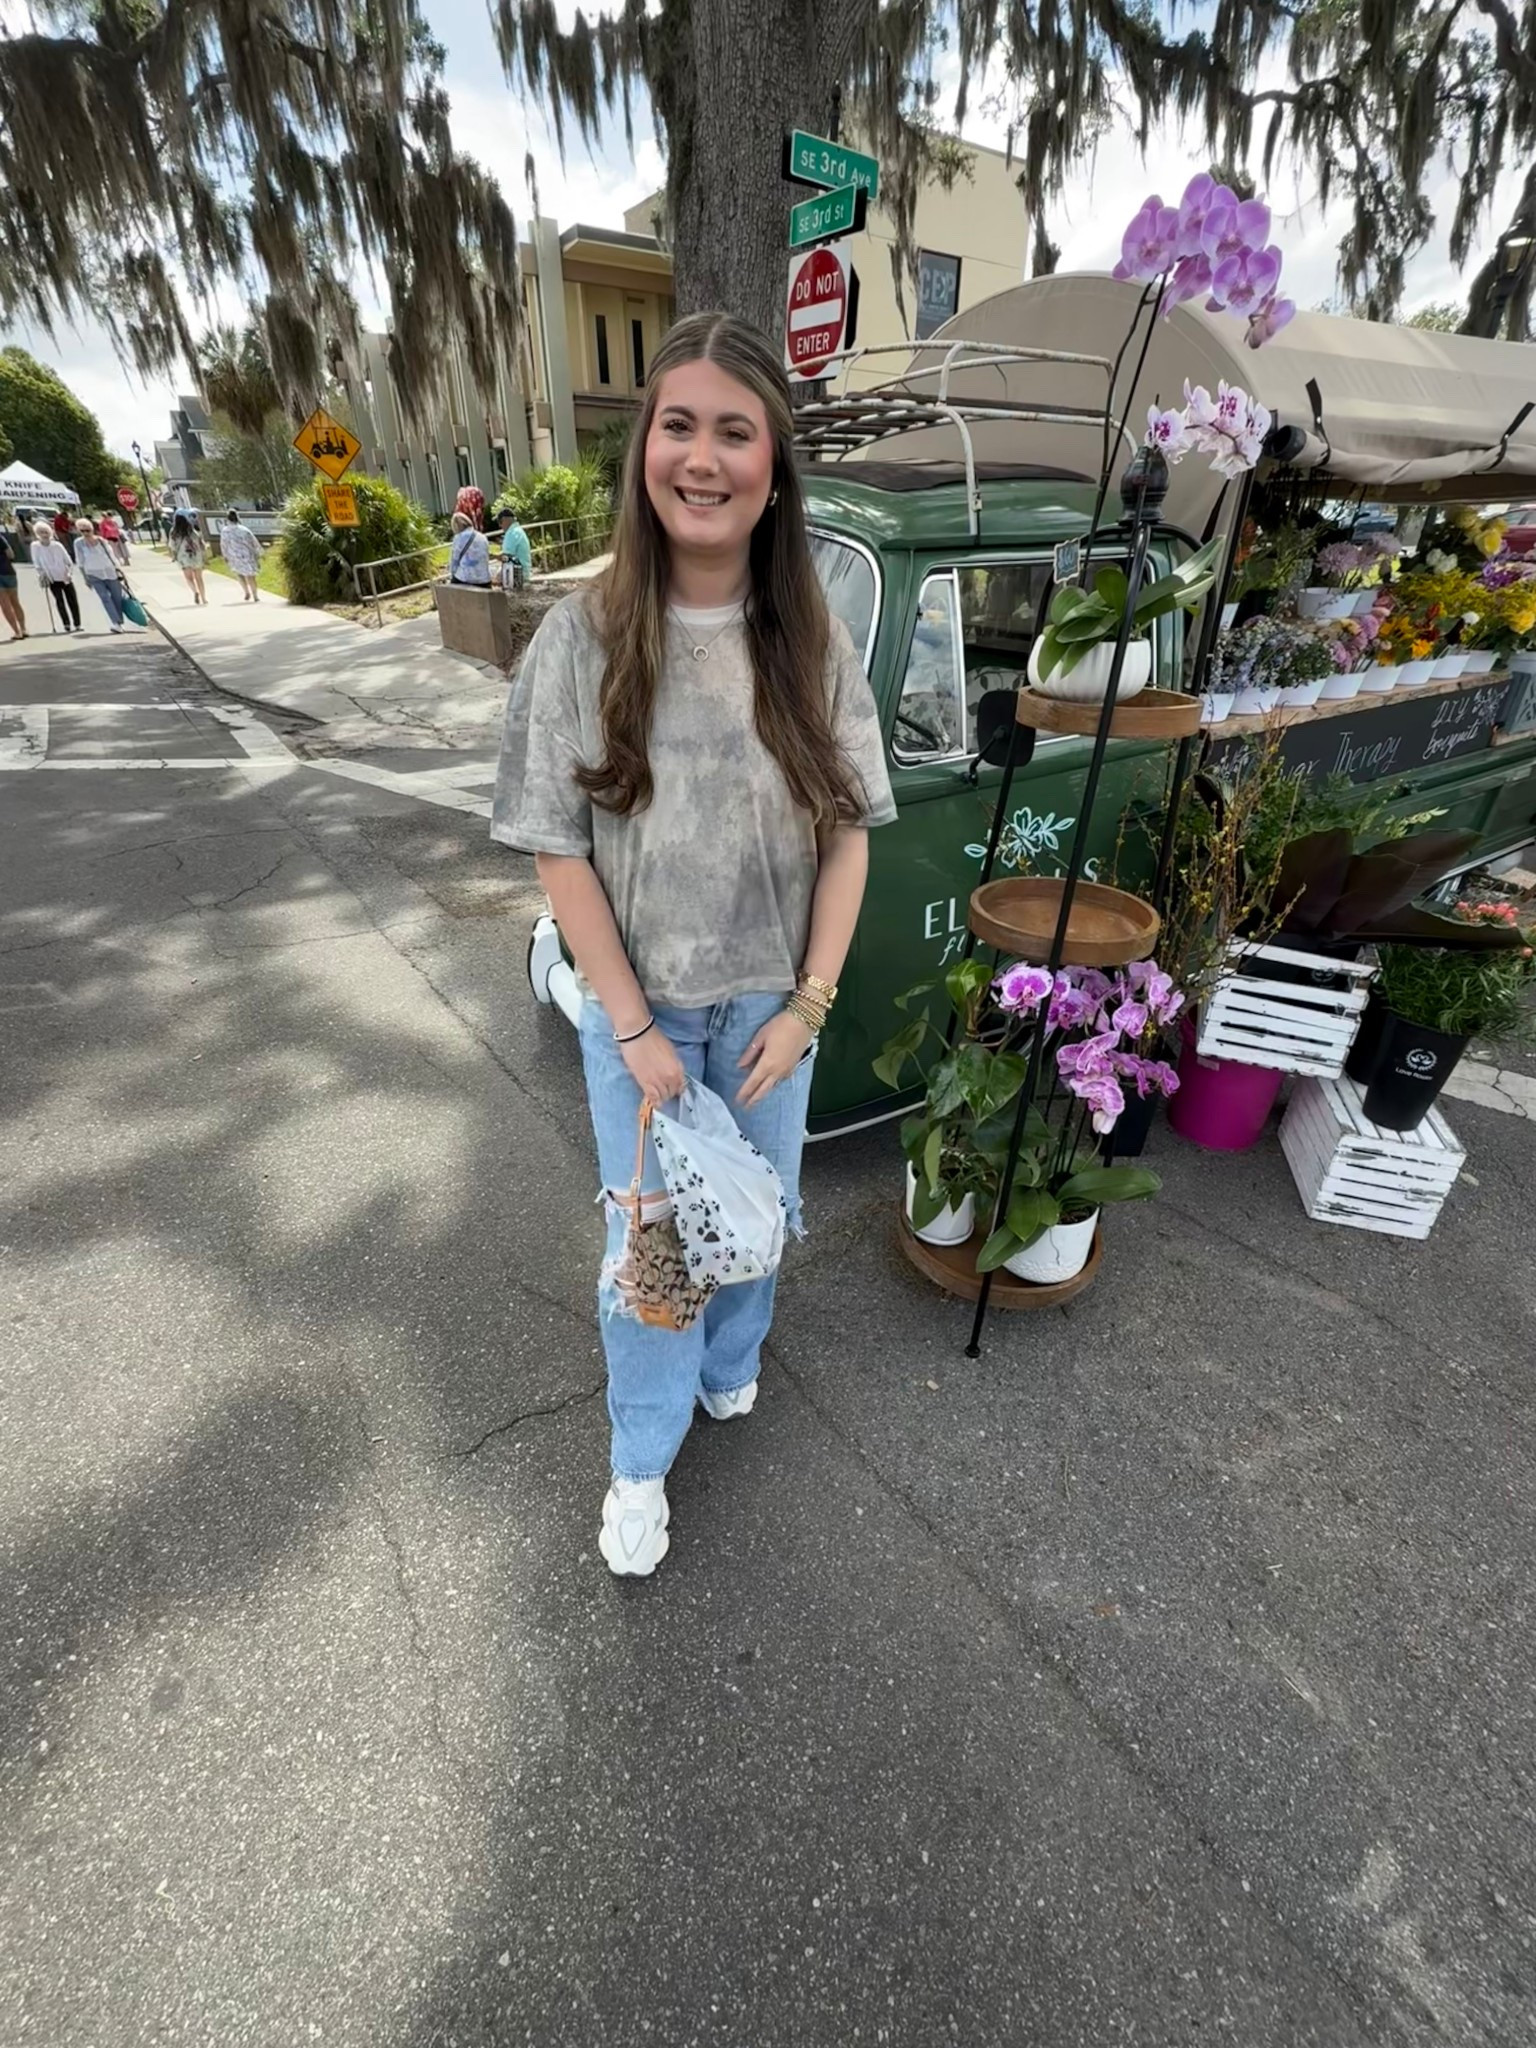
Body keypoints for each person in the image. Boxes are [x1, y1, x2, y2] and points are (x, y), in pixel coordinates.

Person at [491, 312, 895, 1578]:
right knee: (656, 1246)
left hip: (774, 1009)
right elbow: (562, 850)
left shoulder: (811, 639)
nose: (703, 457)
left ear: (774, 463)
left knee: (756, 1217)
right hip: (642, 1017)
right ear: (643, 450)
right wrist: (628, 1028)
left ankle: (733, 1365)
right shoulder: (584, 635)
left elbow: (848, 837)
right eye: (679, 425)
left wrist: (812, 1004)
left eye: (736, 430)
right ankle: (640, 1452)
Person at [73, 519, 131, 632]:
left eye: (87, 530)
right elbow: (80, 561)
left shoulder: (101, 541)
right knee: (105, 598)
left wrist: (118, 569)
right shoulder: (78, 543)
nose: (85, 533)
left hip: (109, 571)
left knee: (117, 598)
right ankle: (116, 622)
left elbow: (111, 555)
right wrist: (85, 578)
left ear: (92, 529)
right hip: (94, 574)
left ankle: (119, 621)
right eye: (82, 531)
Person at [33, 521, 80, 631]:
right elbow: (37, 563)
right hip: (52, 578)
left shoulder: (57, 545)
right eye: (41, 532)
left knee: (72, 600)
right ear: (37, 534)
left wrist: (69, 573)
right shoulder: (35, 546)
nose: (44, 534)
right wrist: (42, 575)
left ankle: (77, 623)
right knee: (59, 601)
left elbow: (68, 561)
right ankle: (66, 624)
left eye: (46, 532)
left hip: (64, 576)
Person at [218, 508, 263, 600]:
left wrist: (225, 555)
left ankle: (246, 591)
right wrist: (259, 552)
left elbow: (223, 544)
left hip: (234, 555)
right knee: (250, 576)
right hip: (247, 554)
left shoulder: (225, 531)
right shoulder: (244, 529)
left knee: (239, 574)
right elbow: (253, 541)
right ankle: (255, 595)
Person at [169, 511, 207, 603]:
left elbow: (172, 545)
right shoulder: (192, 531)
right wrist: (204, 556)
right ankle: (204, 598)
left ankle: (195, 591)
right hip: (196, 556)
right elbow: (201, 543)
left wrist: (173, 555)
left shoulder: (174, 532)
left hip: (183, 557)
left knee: (189, 578)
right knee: (199, 578)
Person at [447, 510, 491, 585]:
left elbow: (454, 561)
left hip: (465, 579)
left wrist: (452, 574)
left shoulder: (458, 538)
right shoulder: (482, 537)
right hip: (484, 579)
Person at [494, 506, 533, 590]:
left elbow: (507, 558)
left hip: (518, 575)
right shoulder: (518, 531)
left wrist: (491, 556)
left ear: (505, 520)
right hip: (524, 573)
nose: (500, 525)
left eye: (500, 522)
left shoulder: (512, 533)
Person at [0, 525, 26, 641]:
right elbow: (11, 554)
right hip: (8, 570)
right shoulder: (1, 538)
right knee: (15, 601)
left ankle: (17, 631)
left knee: (5, 605)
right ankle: (23, 628)